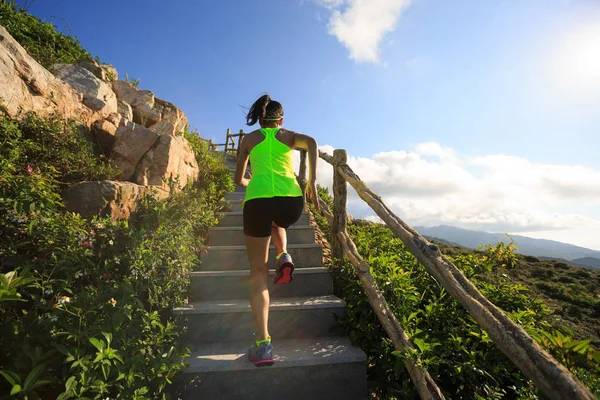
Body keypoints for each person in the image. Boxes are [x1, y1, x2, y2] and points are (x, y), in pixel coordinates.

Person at [234, 94, 320, 367]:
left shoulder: (248, 140)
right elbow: (313, 143)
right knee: (278, 221)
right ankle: (284, 254)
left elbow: (238, 179)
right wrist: (312, 183)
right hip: (291, 202)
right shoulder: (288, 136)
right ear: (281, 119)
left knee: (258, 271)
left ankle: (263, 345)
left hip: (258, 201)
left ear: (259, 119)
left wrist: (254, 184)